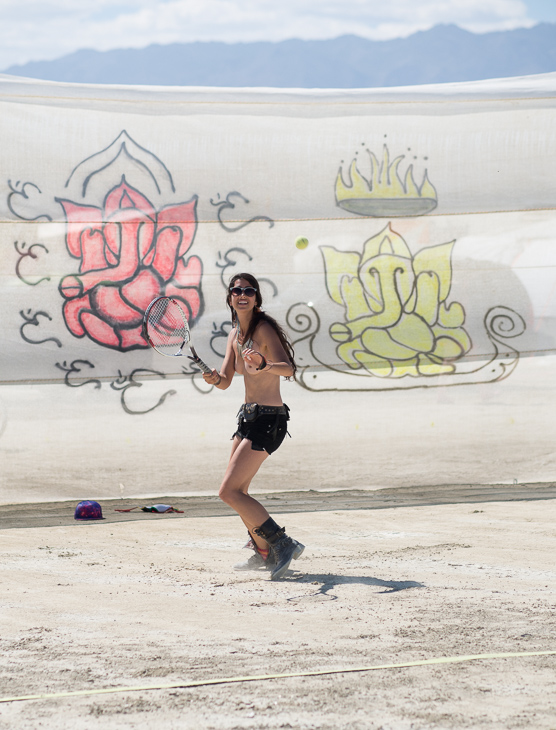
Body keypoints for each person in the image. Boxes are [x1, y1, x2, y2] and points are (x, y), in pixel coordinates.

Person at [203, 273, 304, 580]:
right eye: (236, 291)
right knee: (239, 490)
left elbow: (288, 367)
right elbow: (225, 382)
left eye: (249, 290)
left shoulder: (263, 328)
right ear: (230, 298)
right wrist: (213, 379)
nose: (242, 294)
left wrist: (265, 365)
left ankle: (282, 543)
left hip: (269, 419)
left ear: (257, 298)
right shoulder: (235, 335)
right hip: (247, 417)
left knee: (228, 491)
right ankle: (264, 552)